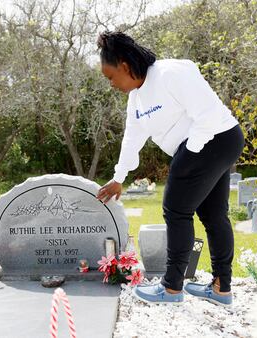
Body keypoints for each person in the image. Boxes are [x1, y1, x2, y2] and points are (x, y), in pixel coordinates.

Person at [95, 31, 244, 306]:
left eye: (110, 76)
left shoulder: (170, 73)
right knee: (213, 215)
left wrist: (189, 154)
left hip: (213, 138)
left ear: (125, 66)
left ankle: (171, 288)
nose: (111, 84)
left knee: (176, 210)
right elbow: (132, 139)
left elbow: (208, 113)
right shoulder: (136, 99)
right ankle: (222, 288)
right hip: (211, 144)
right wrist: (119, 178)